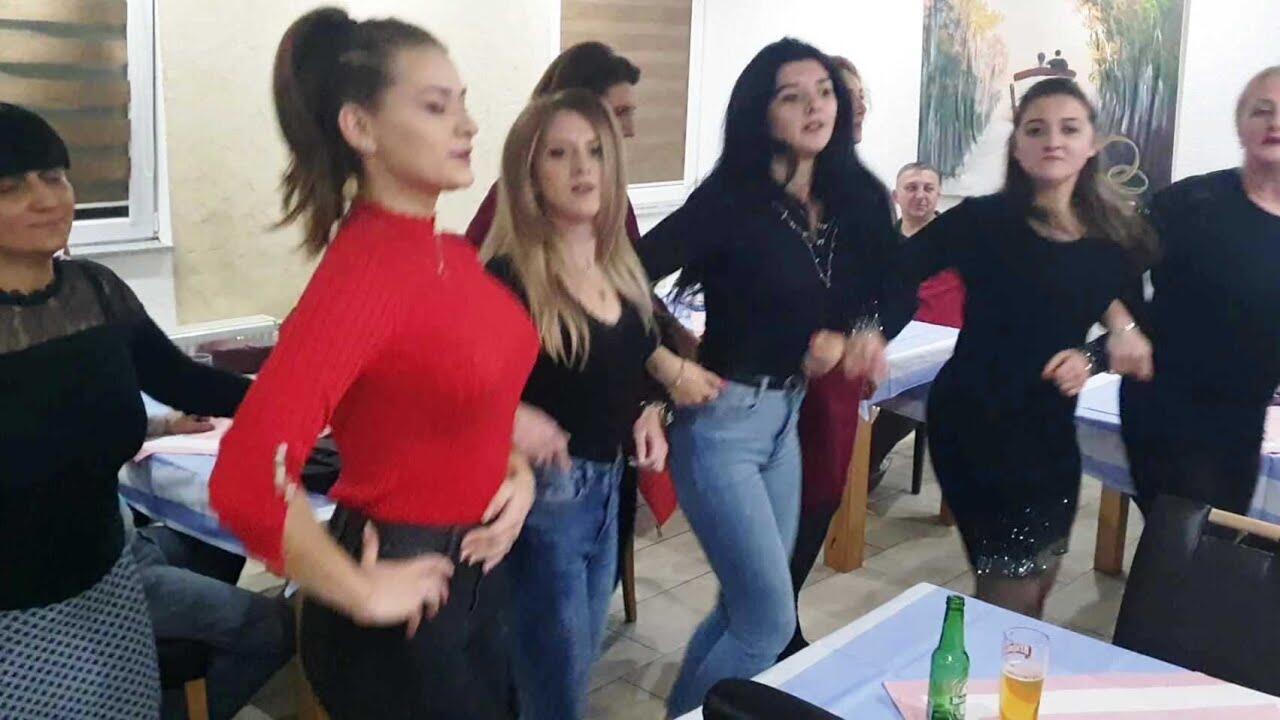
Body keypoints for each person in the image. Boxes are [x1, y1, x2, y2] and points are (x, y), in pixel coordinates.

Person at [208, 9, 539, 719]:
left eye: (462, 102)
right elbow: (246, 476)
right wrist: (359, 590)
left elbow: (447, 398)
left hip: (477, 572)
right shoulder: (365, 274)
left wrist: (512, 469)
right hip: (403, 591)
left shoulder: (446, 255)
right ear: (361, 128)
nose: (468, 125)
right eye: (435, 106)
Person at [639, 39, 905, 715]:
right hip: (722, 423)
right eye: (793, 96)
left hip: (785, 422)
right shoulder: (731, 200)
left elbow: (898, 283)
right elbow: (622, 279)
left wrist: (864, 331)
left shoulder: (853, 196)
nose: (816, 106)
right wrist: (666, 360)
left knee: (744, 609)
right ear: (762, 112)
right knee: (767, 624)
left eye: (824, 91)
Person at [847, 78, 1156, 618]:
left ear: (1091, 145)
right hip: (976, 424)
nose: (1052, 140)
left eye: (1068, 129)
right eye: (1036, 130)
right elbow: (896, 271)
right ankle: (987, 668)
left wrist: (1092, 357)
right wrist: (872, 328)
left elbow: (1129, 322)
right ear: (1017, 147)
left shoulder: (1113, 237)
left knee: (1038, 582)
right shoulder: (983, 221)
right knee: (1008, 592)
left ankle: (1005, 664)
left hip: (1050, 430)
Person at [0, 103, 250, 719]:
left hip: (107, 582)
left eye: (55, 176)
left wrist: (316, 397)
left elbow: (187, 383)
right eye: (11, 188)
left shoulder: (95, 292)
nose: (46, 199)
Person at [481, 88, 705, 720]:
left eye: (595, 151)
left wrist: (646, 411)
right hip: (545, 500)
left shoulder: (619, 268)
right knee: (551, 689)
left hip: (610, 491)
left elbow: (628, 361)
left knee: (571, 672)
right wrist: (509, 418)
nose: (582, 168)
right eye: (559, 153)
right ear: (529, 172)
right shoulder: (508, 279)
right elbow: (458, 393)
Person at [1109, 66, 1280, 516]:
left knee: (1219, 534)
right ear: (1240, 126)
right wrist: (1124, 329)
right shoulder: (1192, 202)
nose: (1275, 122)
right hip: (1167, 406)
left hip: (1245, 414)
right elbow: (1107, 263)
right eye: (1262, 110)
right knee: (1184, 533)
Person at [783, 55, 904, 661]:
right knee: (768, 522)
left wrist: (865, 330)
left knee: (820, 500)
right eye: (838, 95)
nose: (849, 109)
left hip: (831, 383)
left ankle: (781, 620)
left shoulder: (867, 195)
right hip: (768, 378)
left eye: (857, 99)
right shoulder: (770, 188)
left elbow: (896, 288)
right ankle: (769, 627)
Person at [862, 161, 966, 496]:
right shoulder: (881, 244)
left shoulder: (961, 243)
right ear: (896, 196)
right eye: (911, 188)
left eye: (928, 188)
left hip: (946, 351)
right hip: (893, 339)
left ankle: (862, 471)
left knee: (911, 397)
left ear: (938, 195)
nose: (920, 195)